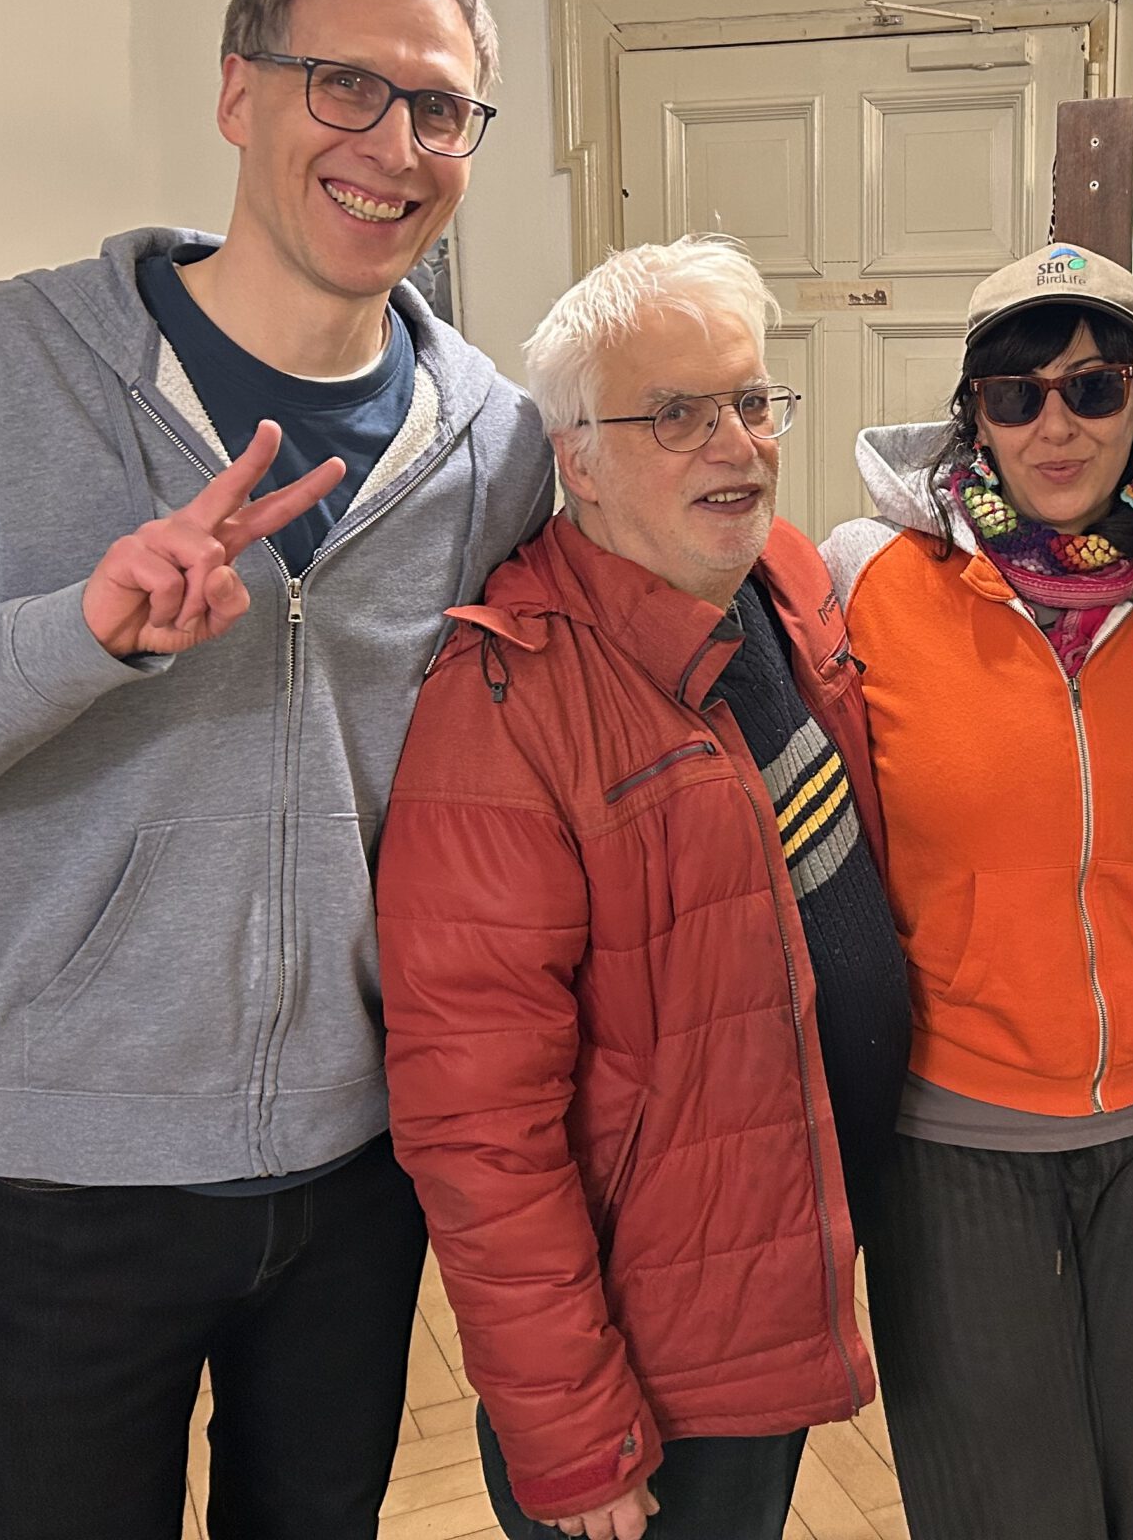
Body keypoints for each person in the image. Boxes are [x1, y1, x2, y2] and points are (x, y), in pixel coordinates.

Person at [0, 0, 553, 1539]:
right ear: (239, 92)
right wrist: (79, 634)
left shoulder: (494, 444)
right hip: (68, 1180)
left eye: (440, 106)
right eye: (345, 84)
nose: (394, 145)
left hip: (361, 1169)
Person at [376, 236, 907, 1540]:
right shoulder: (506, 701)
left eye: (750, 400)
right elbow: (476, 1123)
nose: (737, 444)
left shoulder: (783, 583)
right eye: (676, 415)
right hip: (648, 1359)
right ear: (577, 459)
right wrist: (571, 1426)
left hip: (781, 1274)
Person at [820, 245, 1133, 1540]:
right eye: (1017, 395)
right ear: (976, 416)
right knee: (1006, 1511)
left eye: (1093, 387)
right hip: (958, 1127)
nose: (1057, 426)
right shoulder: (865, 580)